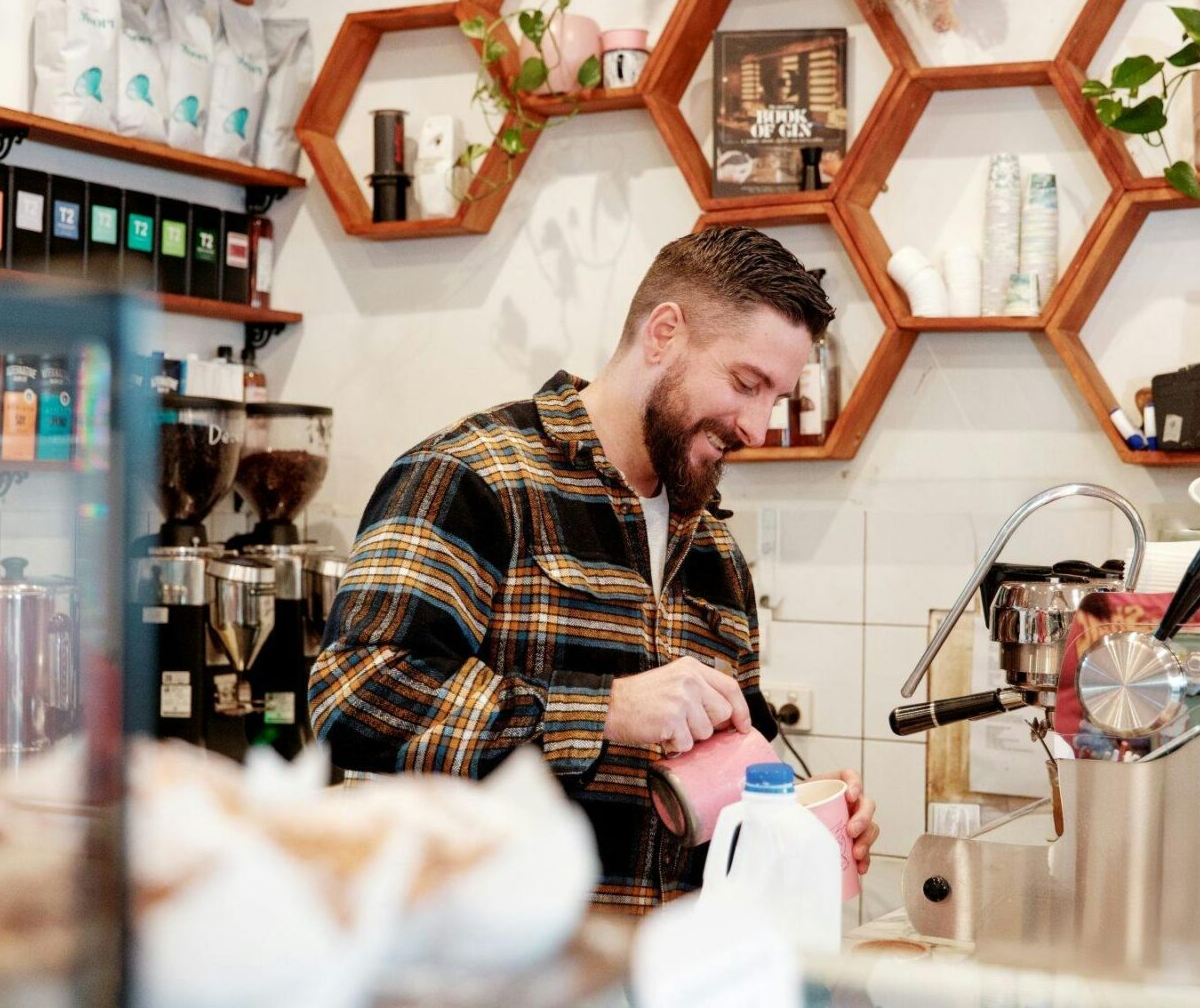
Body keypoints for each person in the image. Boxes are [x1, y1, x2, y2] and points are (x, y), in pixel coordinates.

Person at [308, 226, 879, 912]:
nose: (756, 427)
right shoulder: (474, 475)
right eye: (745, 383)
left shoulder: (714, 551)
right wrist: (605, 709)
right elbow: (355, 697)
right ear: (664, 333)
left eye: (775, 399)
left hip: (669, 972)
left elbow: (722, 795)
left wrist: (799, 815)